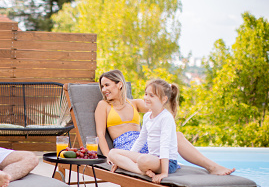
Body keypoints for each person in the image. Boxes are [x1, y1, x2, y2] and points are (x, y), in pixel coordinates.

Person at [94, 69, 235, 175]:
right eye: (102, 87)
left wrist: (168, 93)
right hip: (128, 150)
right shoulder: (104, 105)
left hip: (146, 144)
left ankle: (212, 167)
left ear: (119, 85)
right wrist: (108, 158)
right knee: (116, 154)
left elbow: (161, 109)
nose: (104, 89)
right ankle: (141, 171)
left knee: (177, 135)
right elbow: (100, 134)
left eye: (107, 85)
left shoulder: (135, 103)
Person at [107, 79, 180, 183]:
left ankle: (140, 167)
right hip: (152, 158)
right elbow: (141, 139)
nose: (146, 98)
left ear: (164, 99)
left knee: (143, 160)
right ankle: (141, 171)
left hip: (167, 162)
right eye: (146, 94)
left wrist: (164, 172)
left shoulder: (166, 117)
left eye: (152, 96)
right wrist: (127, 157)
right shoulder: (147, 117)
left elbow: (165, 145)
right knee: (112, 153)